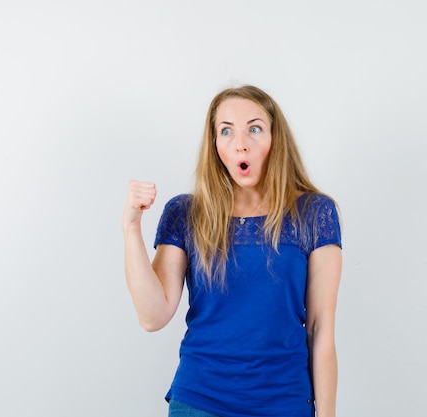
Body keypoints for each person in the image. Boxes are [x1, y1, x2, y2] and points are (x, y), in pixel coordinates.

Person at [123, 85, 342, 417]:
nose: (241, 143)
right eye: (226, 131)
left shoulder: (314, 213)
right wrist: (131, 227)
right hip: (200, 401)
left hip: (284, 402)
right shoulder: (185, 213)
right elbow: (152, 316)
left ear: (275, 139)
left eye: (254, 128)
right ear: (215, 146)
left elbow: (320, 328)